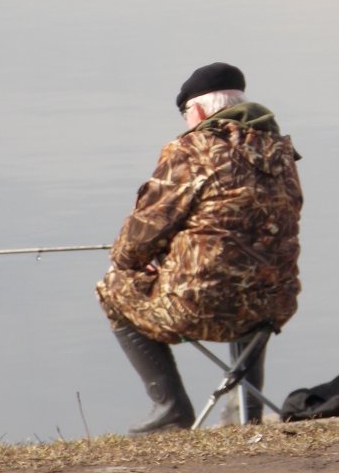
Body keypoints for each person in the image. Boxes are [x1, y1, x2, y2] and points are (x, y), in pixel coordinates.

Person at [96, 62, 303, 433]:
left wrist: (145, 260)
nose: (186, 123)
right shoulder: (283, 153)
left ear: (202, 111)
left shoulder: (191, 150)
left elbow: (135, 243)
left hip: (201, 306)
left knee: (113, 290)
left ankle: (170, 409)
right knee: (252, 277)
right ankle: (246, 410)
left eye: (186, 114)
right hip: (273, 304)